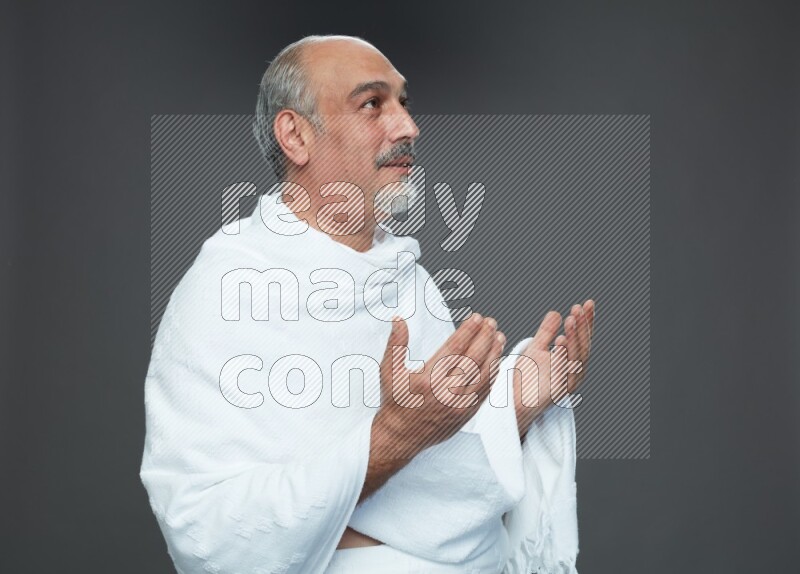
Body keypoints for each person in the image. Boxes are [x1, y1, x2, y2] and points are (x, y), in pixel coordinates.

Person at [140, 34, 595, 574]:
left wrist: (517, 403)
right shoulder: (225, 291)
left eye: (404, 103)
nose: (407, 127)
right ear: (296, 135)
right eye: (373, 104)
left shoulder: (410, 281)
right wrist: (388, 440)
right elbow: (203, 527)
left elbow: (440, 478)